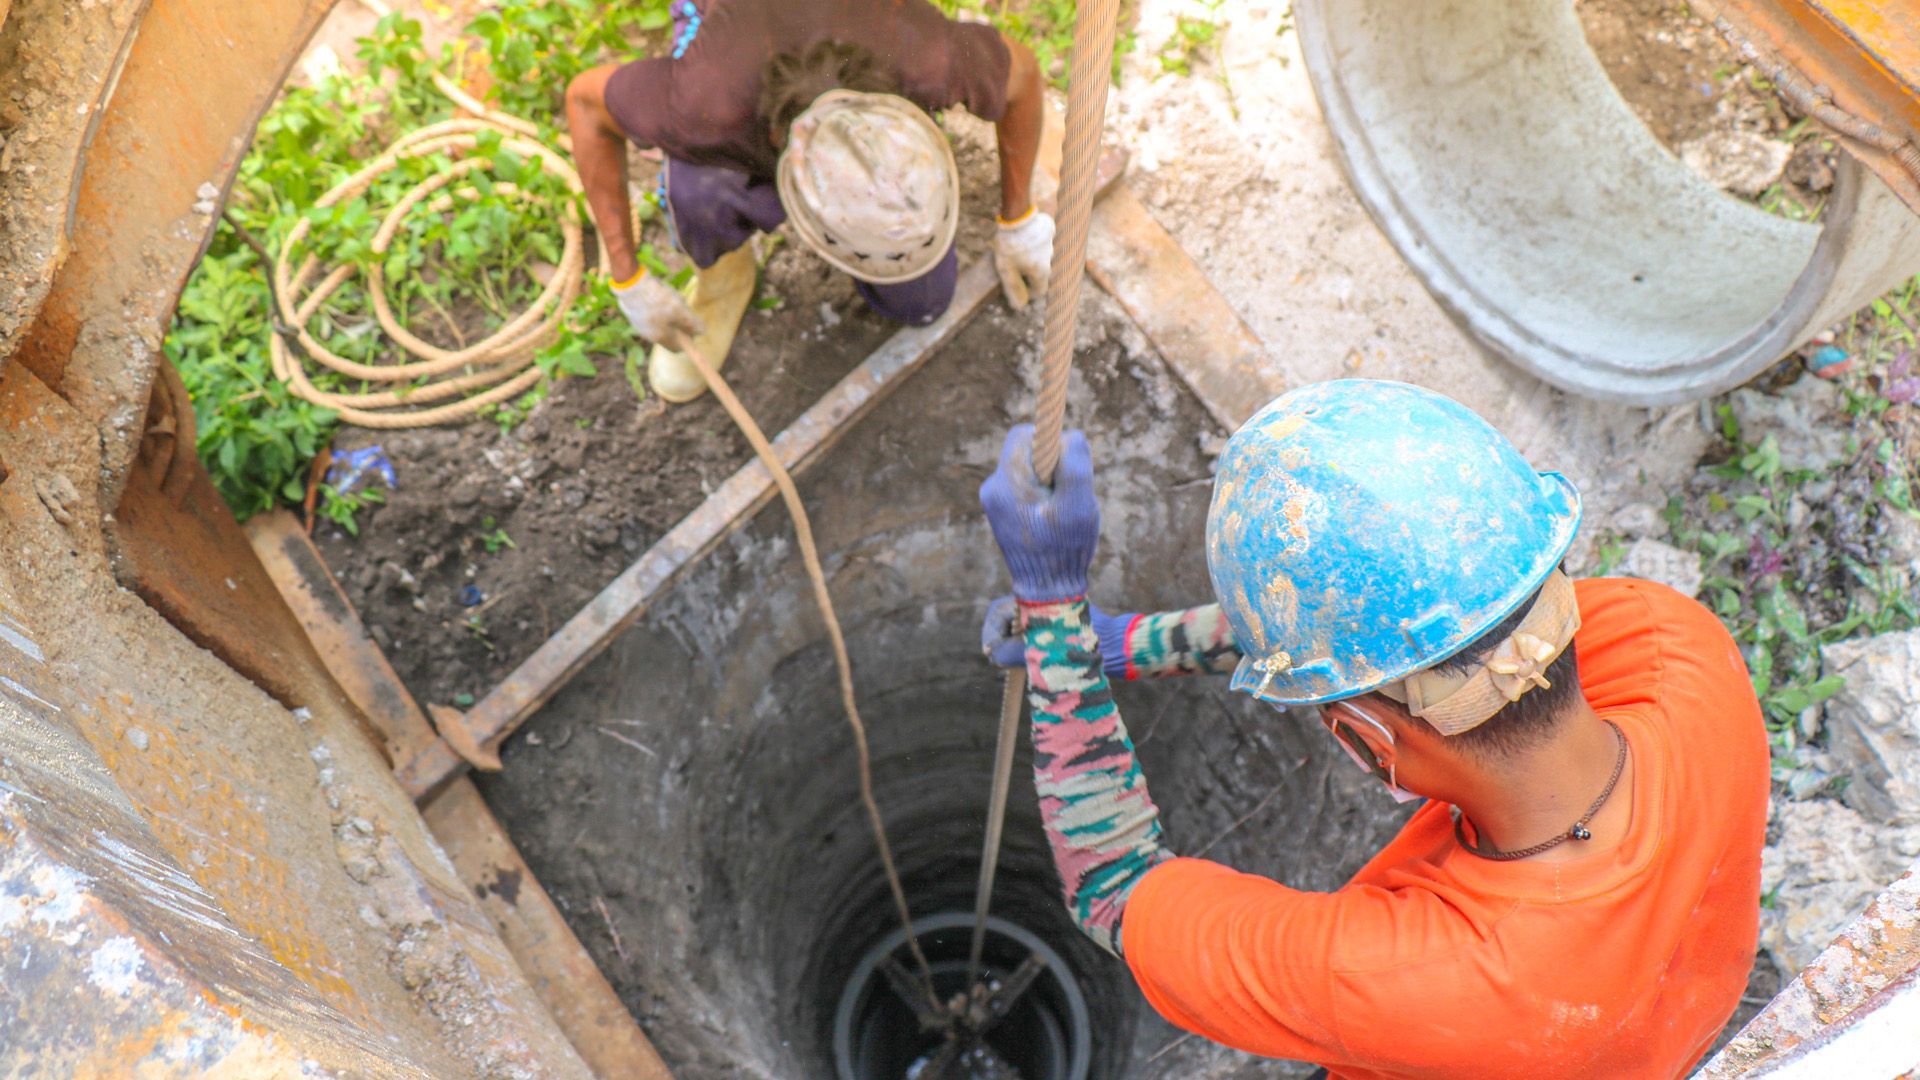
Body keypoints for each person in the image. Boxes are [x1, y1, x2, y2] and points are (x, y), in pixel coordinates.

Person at [978, 379, 1770, 1079]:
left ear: (1363, 741)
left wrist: (1055, 616)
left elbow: (1113, 886)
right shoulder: (1674, 646)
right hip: (1656, 1025)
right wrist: (1118, 647)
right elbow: (1425, 622)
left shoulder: (1405, 980)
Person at [565, 0, 1050, 403]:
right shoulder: (704, 104)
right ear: (776, 142)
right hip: (735, 31)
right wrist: (628, 278)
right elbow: (586, 103)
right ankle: (724, 272)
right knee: (697, 192)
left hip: (862, 29)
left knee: (921, 299)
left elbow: (1023, 74)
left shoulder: (924, 58)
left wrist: (1018, 219)